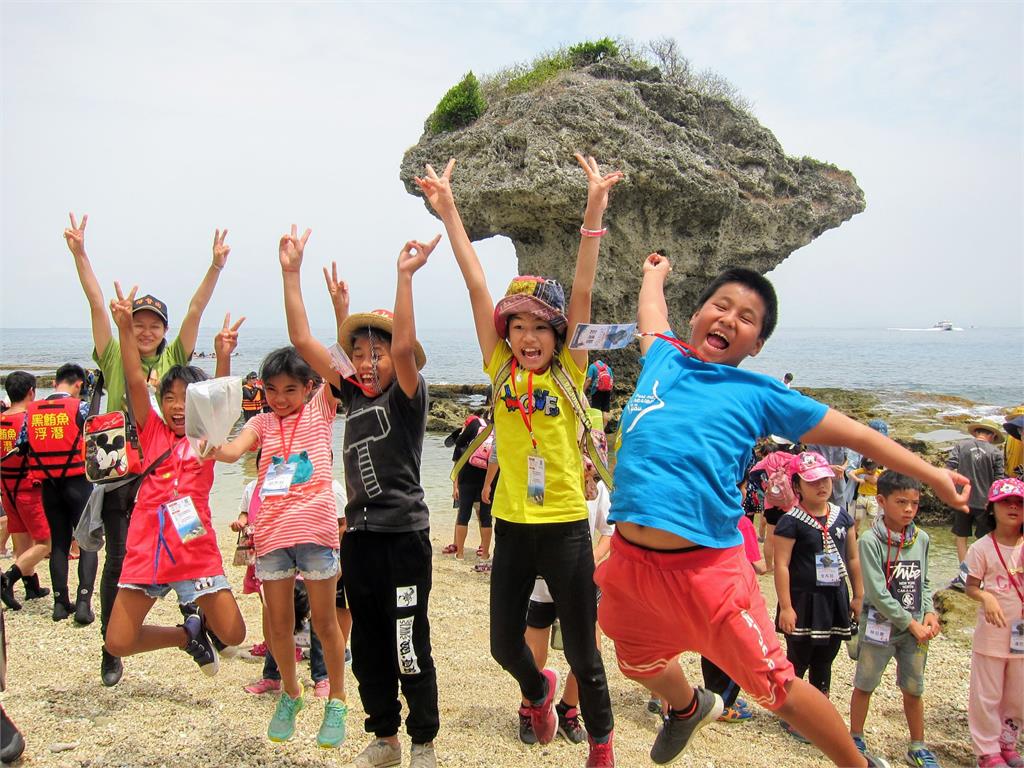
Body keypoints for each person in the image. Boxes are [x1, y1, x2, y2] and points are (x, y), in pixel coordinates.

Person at [594, 253, 970, 768]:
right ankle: (686, 707)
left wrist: (931, 475)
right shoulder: (663, 355)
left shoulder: (759, 394)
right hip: (632, 563)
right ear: (696, 316)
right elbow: (651, 315)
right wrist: (652, 276)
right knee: (636, 661)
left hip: (707, 570)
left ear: (757, 345)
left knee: (777, 690)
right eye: (719, 306)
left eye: (745, 318)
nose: (728, 319)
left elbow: (857, 434)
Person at [416, 153, 622, 768]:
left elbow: (582, 288)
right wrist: (449, 210)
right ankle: (538, 690)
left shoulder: (572, 372)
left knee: (584, 650)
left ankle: (603, 747)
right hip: (511, 527)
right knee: (504, 646)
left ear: (560, 335)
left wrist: (594, 209)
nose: (528, 336)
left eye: (541, 326)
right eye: (519, 326)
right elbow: (478, 284)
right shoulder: (499, 367)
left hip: (563, 527)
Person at [291, 234, 440, 767]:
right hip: (358, 540)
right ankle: (385, 736)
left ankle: (422, 738)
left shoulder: (408, 395)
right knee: (370, 648)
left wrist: (404, 276)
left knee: (406, 640)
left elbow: (402, 349)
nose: (368, 361)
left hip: (404, 537)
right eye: (359, 353)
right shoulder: (350, 394)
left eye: (375, 352)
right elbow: (302, 339)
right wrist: (292, 273)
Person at [65, 213, 230, 686]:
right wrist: (80, 254)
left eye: (153, 324)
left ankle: (196, 623)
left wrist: (215, 267)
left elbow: (196, 313)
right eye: (137, 323)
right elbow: (97, 303)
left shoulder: (176, 361)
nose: (145, 330)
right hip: (120, 470)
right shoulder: (115, 354)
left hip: (172, 471)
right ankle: (111, 648)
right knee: (119, 558)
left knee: (185, 538)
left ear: (163, 330)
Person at [210, 336, 350, 750]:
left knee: (325, 623)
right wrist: (211, 446)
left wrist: (340, 308)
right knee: (278, 624)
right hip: (271, 536)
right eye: (271, 390)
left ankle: (338, 700)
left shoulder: (320, 411)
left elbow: (338, 365)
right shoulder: (261, 423)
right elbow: (232, 451)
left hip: (316, 533)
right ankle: (291, 693)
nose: (280, 398)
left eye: (290, 389)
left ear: (308, 387)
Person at [101, 284, 246, 682]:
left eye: (186, 398)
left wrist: (223, 354)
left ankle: (199, 611)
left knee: (234, 633)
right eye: (169, 397)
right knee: (117, 642)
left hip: (192, 546)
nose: (178, 405)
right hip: (146, 548)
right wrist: (124, 330)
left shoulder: (206, 438)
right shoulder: (151, 433)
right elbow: (133, 378)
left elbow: (220, 396)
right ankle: (186, 636)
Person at [848, 470, 941, 767]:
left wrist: (928, 613)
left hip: (914, 628)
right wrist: (910, 622)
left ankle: (917, 744)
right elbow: (876, 592)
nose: (908, 509)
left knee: (914, 688)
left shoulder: (922, 538)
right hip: (880, 626)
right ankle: (856, 737)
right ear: (881, 501)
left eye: (914, 503)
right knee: (865, 683)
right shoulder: (870, 541)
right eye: (901, 502)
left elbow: (925, 581)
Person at [519, 457, 614, 747]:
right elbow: (527, 517)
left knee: (589, 651)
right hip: (541, 582)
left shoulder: (596, 487)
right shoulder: (538, 473)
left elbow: (609, 532)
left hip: (581, 580)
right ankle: (530, 708)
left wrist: (593, 558)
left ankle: (568, 709)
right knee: (534, 652)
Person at [774, 451, 863, 741]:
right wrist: (786, 606)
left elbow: (852, 558)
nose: (821, 486)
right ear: (797, 485)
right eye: (812, 481)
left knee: (826, 657)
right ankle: (793, 712)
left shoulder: (842, 517)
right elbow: (781, 564)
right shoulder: (792, 521)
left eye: (825, 479)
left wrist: (859, 595)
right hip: (802, 600)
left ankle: (819, 709)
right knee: (798, 656)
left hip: (834, 598)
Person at [23, 363, 99, 623]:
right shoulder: (81, 407)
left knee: (58, 542)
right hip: (77, 482)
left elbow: (25, 442)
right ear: (79, 384)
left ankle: (59, 602)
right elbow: (96, 437)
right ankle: (83, 603)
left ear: (55, 383)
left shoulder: (31, 412)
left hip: (48, 485)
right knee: (87, 543)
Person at [964, 478, 1024, 768]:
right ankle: (987, 750)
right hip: (991, 635)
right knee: (987, 694)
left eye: (1019, 503)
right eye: (1006, 502)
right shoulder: (981, 548)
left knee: (1018, 694)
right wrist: (987, 598)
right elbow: (971, 586)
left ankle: (1007, 743)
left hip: (1021, 638)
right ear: (992, 508)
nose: (1013, 507)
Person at [0, 371, 52, 610]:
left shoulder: (1, 419)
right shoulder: (29, 420)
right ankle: (8, 578)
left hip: (6, 487)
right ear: (32, 391)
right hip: (27, 487)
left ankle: (31, 587)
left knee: (22, 539)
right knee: (45, 542)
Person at [948, 420, 1006, 591]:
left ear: (976, 432)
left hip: (962, 500)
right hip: (985, 503)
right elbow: (999, 481)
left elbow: (949, 468)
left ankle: (965, 575)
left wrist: (951, 492)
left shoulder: (961, 446)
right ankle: (981, 577)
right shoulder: (996, 452)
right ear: (993, 435)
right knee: (985, 541)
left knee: (961, 538)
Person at [446, 411, 493, 563]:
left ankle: (460, 554)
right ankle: (485, 554)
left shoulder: (475, 424)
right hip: (488, 478)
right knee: (486, 518)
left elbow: (459, 442)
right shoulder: (497, 427)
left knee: (463, 515)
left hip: (468, 478)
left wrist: (462, 433)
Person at [851, 458, 883, 533]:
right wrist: (858, 480)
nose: (870, 471)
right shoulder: (862, 471)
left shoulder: (879, 472)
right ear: (864, 467)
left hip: (873, 498)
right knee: (858, 517)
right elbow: (851, 473)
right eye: (868, 469)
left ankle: (870, 533)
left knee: (872, 518)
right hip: (862, 496)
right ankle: (855, 533)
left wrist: (876, 480)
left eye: (872, 469)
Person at [584, 359, 614, 426]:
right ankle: (603, 429)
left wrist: (583, 390)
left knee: (596, 410)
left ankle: (597, 429)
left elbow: (589, 379)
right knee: (605, 410)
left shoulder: (592, 366)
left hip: (596, 391)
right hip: (607, 391)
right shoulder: (608, 368)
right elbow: (611, 380)